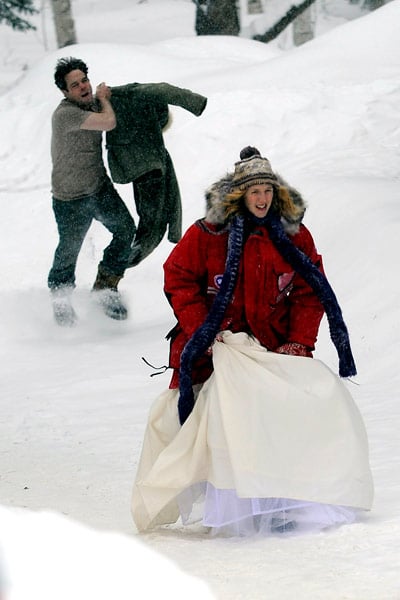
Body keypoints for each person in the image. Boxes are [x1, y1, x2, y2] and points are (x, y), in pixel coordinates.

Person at [131, 147, 374, 536]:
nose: (262, 199)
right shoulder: (207, 234)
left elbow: (311, 290)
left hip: (269, 346)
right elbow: (177, 277)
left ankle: (283, 499)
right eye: (254, 191)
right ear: (238, 195)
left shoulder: (293, 235)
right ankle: (233, 502)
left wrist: (298, 341)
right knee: (222, 422)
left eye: (267, 190)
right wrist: (203, 331)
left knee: (298, 410)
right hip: (214, 348)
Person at [48, 57, 136, 326]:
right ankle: (60, 296)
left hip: (99, 188)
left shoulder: (92, 105)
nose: (83, 87)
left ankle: (106, 286)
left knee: (125, 230)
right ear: (65, 92)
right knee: (69, 249)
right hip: (70, 198)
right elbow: (108, 121)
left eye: (84, 80)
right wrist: (105, 99)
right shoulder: (65, 115)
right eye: (75, 85)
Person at [106, 82, 207, 267]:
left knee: (151, 223)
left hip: (142, 170)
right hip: (149, 168)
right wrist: (195, 102)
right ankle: (121, 264)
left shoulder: (122, 102)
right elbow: (163, 89)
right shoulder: (134, 95)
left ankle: (120, 264)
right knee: (152, 226)